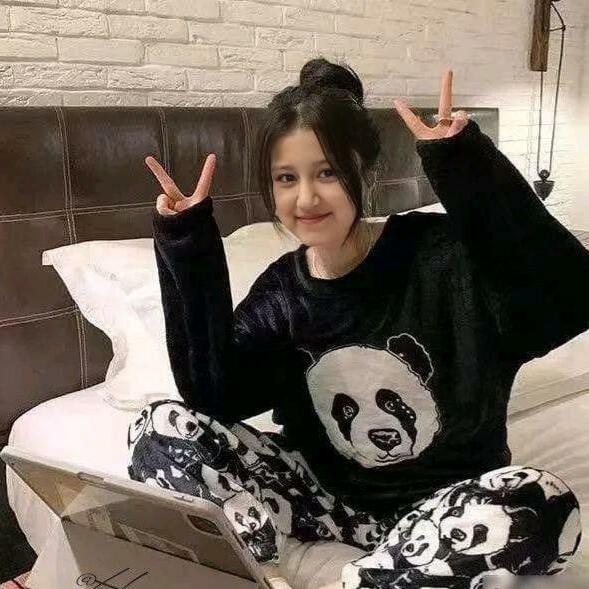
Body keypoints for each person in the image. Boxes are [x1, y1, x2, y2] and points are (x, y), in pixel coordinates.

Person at [127, 58, 588, 589]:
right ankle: (274, 566)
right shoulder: (284, 292)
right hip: (323, 503)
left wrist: (467, 168)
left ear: (363, 172)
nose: (306, 198)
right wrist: (186, 241)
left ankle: (363, 578)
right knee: (158, 427)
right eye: (286, 178)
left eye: (327, 172)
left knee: (542, 503)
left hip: (446, 513)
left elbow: (568, 301)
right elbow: (214, 395)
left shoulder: (444, 258)